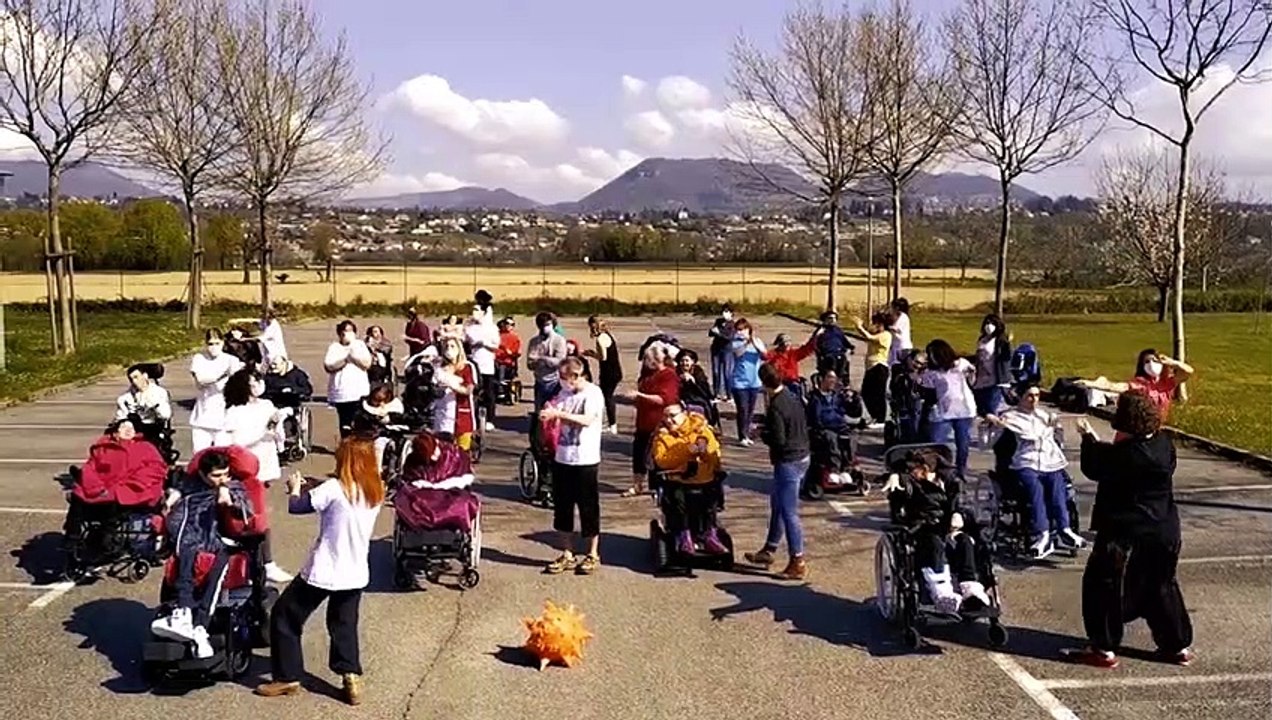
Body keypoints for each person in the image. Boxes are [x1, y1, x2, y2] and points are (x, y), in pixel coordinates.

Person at [1062, 391, 1193, 669]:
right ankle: (1176, 644)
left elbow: (1096, 466)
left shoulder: (1126, 455)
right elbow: (1116, 456)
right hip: (1164, 529)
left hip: (1125, 532)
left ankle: (1103, 647)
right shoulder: (1164, 445)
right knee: (1161, 585)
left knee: (1104, 585)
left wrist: (1087, 436)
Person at [255, 437, 385, 705]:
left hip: (325, 568)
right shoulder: (375, 490)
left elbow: (297, 506)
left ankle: (287, 676)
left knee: (285, 616)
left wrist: (294, 488)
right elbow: (338, 500)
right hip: (355, 571)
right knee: (343, 624)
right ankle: (350, 674)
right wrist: (316, 486)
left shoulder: (334, 489)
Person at [151, 447, 265, 659]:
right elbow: (177, 495)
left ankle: (200, 627)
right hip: (191, 541)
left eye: (225, 473)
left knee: (214, 571)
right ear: (203, 474)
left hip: (224, 543)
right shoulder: (190, 486)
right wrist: (171, 498)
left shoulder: (233, 485)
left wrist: (229, 500)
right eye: (216, 475)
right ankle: (182, 612)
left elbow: (246, 510)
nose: (222, 478)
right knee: (185, 556)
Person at [881, 449, 990, 613]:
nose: (911, 472)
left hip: (949, 527)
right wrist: (894, 475)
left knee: (966, 541)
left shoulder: (951, 481)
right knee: (935, 543)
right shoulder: (910, 482)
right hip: (922, 528)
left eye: (915, 468)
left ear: (926, 469)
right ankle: (942, 593)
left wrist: (958, 514)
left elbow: (961, 502)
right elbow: (898, 479)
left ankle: (971, 588)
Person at [985, 386, 1086, 559]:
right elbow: (986, 443)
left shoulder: (1045, 416)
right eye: (1029, 395)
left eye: (1037, 396)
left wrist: (1058, 428)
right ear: (1021, 397)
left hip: (1050, 461)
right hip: (1026, 462)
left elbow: (1059, 441)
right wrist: (991, 426)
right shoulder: (1010, 417)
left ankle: (1065, 529)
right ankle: (1043, 534)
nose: (1034, 400)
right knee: (1035, 490)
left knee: (1058, 489)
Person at [218, 368, 292, 583]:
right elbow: (234, 443)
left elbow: (278, 437)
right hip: (245, 468)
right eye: (253, 383)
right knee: (250, 517)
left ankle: (261, 563)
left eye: (259, 381)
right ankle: (259, 563)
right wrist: (262, 433)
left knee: (258, 516)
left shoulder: (267, 405)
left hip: (265, 465)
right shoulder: (234, 411)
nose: (258, 386)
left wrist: (278, 424)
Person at [538, 357, 605, 576]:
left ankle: (593, 553)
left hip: (585, 459)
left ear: (576, 375)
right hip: (563, 457)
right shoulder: (563, 393)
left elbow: (587, 420)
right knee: (562, 508)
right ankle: (567, 552)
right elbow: (553, 408)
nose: (563, 382)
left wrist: (559, 414)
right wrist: (548, 413)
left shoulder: (593, 393)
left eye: (565, 378)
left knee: (588, 508)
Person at [744, 363, 810, 580]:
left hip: (788, 461)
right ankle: (769, 549)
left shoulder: (775, 406)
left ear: (763, 383)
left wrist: (761, 433)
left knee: (789, 512)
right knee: (777, 504)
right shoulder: (792, 396)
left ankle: (797, 560)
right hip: (803, 456)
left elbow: (779, 440)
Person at [64, 419, 168, 543]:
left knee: (115, 498)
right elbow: (90, 468)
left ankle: (106, 538)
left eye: (132, 428)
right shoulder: (102, 447)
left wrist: (136, 482)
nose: (129, 430)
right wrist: (96, 487)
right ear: (115, 433)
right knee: (78, 493)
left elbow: (157, 468)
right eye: (124, 427)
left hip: (132, 488)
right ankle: (72, 534)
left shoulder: (145, 447)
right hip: (102, 486)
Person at [651, 403, 727, 556]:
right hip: (678, 480)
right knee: (678, 501)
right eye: (665, 416)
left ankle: (709, 534)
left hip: (704, 479)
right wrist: (686, 451)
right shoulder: (662, 435)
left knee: (710, 501)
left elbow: (714, 457)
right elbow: (662, 460)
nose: (669, 420)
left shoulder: (702, 430)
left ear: (684, 414)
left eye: (672, 415)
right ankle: (684, 536)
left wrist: (704, 451)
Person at [620, 342, 680, 498]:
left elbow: (664, 399)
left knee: (657, 456)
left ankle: (657, 487)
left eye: (647, 358)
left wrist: (640, 396)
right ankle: (637, 484)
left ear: (656, 360)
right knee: (638, 453)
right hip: (643, 420)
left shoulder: (669, 375)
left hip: (659, 422)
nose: (644, 362)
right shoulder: (647, 376)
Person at [1079, 349, 1195, 422]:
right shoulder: (1140, 383)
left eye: (1155, 361)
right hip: (1137, 429)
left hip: (1157, 427)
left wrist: (1172, 363)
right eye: (1147, 362)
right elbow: (1118, 387)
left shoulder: (1167, 383)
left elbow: (1188, 371)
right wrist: (1094, 384)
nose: (1151, 364)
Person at [918, 339, 977, 478]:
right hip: (943, 411)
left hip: (964, 409)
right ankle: (940, 470)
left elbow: (972, 379)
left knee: (962, 443)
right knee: (937, 442)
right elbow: (929, 394)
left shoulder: (960, 364)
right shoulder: (930, 373)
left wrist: (972, 373)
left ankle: (961, 470)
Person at [190, 329, 243, 454]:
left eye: (217, 343)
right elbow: (200, 382)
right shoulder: (199, 359)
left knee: (224, 454)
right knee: (199, 454)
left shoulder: (231, 360)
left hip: (224, 416)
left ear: (223, 343)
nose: (213, 347)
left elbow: (237, 385)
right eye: (210, 344)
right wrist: (222, 375)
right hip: (203, 415)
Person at [805, 371, 859, 485]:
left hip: (840, 426)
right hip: (823, 427)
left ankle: (846, 469)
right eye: (829, 377)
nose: (832, 381)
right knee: (831, 438)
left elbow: (854, 412)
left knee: (852, 436)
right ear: (822, 379)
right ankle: (833, 469)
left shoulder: (838, 397)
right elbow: (815, 416)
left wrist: (855, 400)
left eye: (834, 378)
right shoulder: (815, 398)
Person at [324, 320, 373, 438]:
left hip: (358, 390)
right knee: (344, 421)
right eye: (346, 331)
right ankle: (346, 444)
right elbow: (329, 366)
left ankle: (358, 444)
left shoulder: (359, 345)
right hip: (342, 391)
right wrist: (345, 360)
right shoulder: (334, 347)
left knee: (359, 419)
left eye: (351, 331)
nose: (348, 334)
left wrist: (354, 357)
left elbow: (366, 364)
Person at [115, 363, 173, 452]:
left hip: (153, 428)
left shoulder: (159, 393)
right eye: (131, 379)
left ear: (145, 376)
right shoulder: (125, 398)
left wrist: (153, 405)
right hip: (133, 429)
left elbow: (166, 415)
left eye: (136, 377)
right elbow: (121, 417)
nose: (134, 381)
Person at [433, 337, 476, 451]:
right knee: (444, 451)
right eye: (446, 346)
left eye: (452, 346)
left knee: (462, 452)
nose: (449, 349)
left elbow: (468, 390)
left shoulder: (466, 367)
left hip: (461, 416)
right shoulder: (440, 368)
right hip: (443, 415)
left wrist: (453, 385)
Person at [263, 355, 313, 454]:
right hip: (271, 405)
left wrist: (292, 390)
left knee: (278, 420)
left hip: (290, 406)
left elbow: (308, 390)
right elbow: (263, 392)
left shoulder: (297, 375)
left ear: (283, 364)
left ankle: (280, 449)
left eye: (275, 365)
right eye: (272, 364)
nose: (273, 367)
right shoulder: (269, 377)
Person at [730, 318, 766, 447]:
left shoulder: (757, 341)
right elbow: (738, 354)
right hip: (739, 382)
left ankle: (747, 433)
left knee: (751, 410)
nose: (741, 332)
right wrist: (745, 342)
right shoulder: (735, 343)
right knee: (743, 409)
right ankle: (742, 435)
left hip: (754, 381)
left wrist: (754, 343)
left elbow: (765, 356)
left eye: (743, 329)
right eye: (738, 330)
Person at [585, 315, 623, 435]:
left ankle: (612, 425)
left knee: (606, 398)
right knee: (606, 397)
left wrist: (591, 354)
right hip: (614, 371)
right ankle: (611, 423)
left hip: (609, 373)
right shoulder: (607, 335)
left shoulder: (601, 339)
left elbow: (603, 357)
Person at [464, 304, 499, 430]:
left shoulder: (492, 328)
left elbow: (496, 345)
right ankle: (473, 417)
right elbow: (465, 342)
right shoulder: (469, 328)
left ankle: (489, 418)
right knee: (473, 391)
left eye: (477, 310)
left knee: (488, 392)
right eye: (473, 310)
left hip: (487, 364)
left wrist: (485, 343)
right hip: (473, 363)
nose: (474, 312)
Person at [855, 312, 893, 424]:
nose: (874, 326)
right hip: (871, 367)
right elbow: (867, 334)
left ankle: (880, 419)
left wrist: (859, 326)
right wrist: (861, 327)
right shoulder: (878, 334)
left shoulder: (886, 335)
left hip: (879, 367)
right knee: (866, 392)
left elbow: (869, 337)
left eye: (876, 323)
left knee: (878, 394)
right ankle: (874, 416)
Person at [972, 314, 1012, 417]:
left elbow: (1006, 357)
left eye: (992, 323)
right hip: (981, 380)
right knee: (982, 413)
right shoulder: (982, 340)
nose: (989, 326)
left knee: (992, 412)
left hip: (995, 382)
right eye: (987, 323)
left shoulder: (1000, 340)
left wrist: (1007, 344)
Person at [526, 311, 568, 410]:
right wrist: (536, 361)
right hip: (539, 381)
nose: (545, 327)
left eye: (548, 324)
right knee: (540, 410)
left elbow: (560, 362)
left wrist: (542, 359)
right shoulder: (534, 341)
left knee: (554, 409)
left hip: (555, 381)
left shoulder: (559, 340)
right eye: (543, 325)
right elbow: (530, 364)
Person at [674, 349, 719, 429]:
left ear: (693, 362)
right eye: (682, 361)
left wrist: (693, 381)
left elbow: (705, 393)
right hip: (680, 401)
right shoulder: (675, 373)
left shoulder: (698, 373)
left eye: (687, 361)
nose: (684, 363)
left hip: (698, 401)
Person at [764, 332, 817, 398]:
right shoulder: (774, 355)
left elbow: (806, 350)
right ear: (780, 344)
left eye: (788, 343)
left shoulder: (793, 354)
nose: (787, 346)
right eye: (785, 343)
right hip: (780, 383)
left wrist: (814, 337)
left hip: (793, 383)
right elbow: (765, 357)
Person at [708, 304, 736, 401]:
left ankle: (729, 394)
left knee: (727, 372)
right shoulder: (718, 321)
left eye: (727, 311)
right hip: (716, 349)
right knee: (716, 372)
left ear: (732, 313)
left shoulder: (732, 325)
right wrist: (713, 331)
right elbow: (710, 333)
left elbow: (729, 338)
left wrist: (718, 333)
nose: (725, 313)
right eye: (724, 311)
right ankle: (716, 393)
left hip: (727, 350)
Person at [812, 310, 852, 377]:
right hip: (827, 355)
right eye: (830, 318)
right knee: (832, 361)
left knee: (844, 360)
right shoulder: (821, 331)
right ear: (825, 320)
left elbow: (845, 342)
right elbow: (814, 344)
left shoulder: (838, 330)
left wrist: (850, 348)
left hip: (839, 354)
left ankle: (843, 382)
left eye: (835, 318)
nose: (833, 320)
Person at [495, 316, 522, 387]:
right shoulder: (496, 335)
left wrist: (509, 352)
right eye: (507, 323)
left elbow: (517, 353)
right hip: (494, 360)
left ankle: (501, 386)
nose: (509, 326)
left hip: (506, 361)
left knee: (502, 366)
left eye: (512, 324)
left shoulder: (515, 338)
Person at [886, 298, 913, 368]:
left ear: (897, 308)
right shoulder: (896, 317)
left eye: (892, 307)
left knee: (903, 368)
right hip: (896, 346)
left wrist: (887, 327)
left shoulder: (903, 316)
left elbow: (896, 329)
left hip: (903, 347)